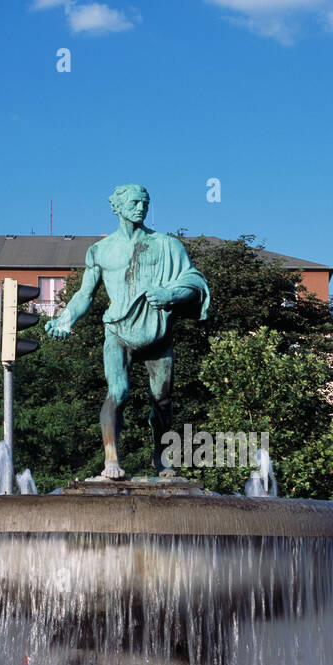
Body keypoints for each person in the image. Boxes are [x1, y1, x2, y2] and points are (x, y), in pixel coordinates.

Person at [45, 184, 210, 479]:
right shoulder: (100, 250)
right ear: (117, 207)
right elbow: (85, 294)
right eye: (134, 203)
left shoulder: (168, 245)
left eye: (145, 203)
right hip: (118, 330)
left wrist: (170, 294)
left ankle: (161, 459)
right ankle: (111, 460)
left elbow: (194, 282)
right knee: (118, 392)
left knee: (162, 399)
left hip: (158, 331)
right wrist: (64, 320)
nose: (141, 207)